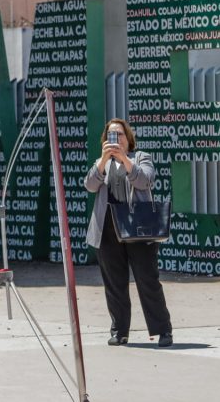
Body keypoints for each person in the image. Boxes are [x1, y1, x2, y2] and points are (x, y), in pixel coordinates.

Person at [85, 119, 173, 347]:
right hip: (108, 228)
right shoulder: (101, 162)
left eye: (120, 135)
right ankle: (119, 330)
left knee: (147, 279)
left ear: (128, 138)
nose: (116, 139)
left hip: (138, 227)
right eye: (111, 135)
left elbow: (145, 181)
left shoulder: (140, 157)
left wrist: (124, 158)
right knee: (114, 282)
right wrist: (105, 160)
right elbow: (90, 186)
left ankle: (163, 330)